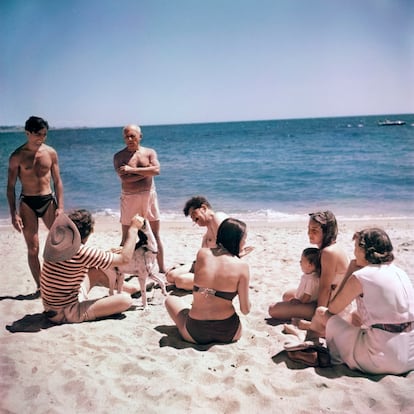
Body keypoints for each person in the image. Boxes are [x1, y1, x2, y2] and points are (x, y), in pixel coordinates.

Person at [308, 228, 414, 375]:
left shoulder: (362, 276)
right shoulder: (400, 272)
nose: (354, 252)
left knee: (321, 313)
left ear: (365, 251)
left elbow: (333, 308)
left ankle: (309, 346)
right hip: (410, 356)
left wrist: (350, 272)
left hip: (381, 359)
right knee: (355, 315)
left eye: (356, 247)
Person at [40, 209, 145, 324]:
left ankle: (134, 289)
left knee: (96, 270)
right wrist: (134, 228)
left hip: (52, 306)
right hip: (66, 312)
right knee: (125, 300)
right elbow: (124, 260)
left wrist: (107, 253)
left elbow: (79, 261)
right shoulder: (81, 251)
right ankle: (130, 293)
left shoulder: (57, 244)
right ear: (89, 232)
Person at [165, 218, 251, 344]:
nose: (245, 241)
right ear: (237, 240)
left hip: (195, 332)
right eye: (244, 238)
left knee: (170, 300)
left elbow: (210, 274)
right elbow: (245, 310)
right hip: (229, 332)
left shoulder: (202, 254)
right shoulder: (242, 266)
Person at [7, 116, 64, 294]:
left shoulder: (51, 153)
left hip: (48, 200)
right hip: (27, 203)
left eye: (45, 134)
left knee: (60, 243)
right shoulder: (17, 156)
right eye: (38, 134)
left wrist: (60, 206)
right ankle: (41, 286)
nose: (42, 138)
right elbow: (10, 187)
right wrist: (13, 214)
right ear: (28, 133)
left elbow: (57, 181)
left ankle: (62, 280)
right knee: (33, 248)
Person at [268, 210, 349, 321]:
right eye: (309, 229)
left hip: (332, 306)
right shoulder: (327, 249)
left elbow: (325, 289)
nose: (309, 233)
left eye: (314, 230)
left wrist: (319, 317)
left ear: (326, 232)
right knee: (287, 295)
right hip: (326, 298)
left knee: (273, 309)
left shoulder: (329, 253)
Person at [113, 124, 165, 273]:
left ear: (140, 137)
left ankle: (162, 269)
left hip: (149, 195)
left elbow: (157, 170)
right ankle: (120, 270)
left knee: (155, 235)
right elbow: (125, 180)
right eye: (126, 136)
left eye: (132, 136)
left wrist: (132, 170)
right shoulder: (119, 156)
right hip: (129, 197)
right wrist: (147, 172)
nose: (129, 139)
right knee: (127, 237)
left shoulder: (149, 152)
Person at [165, 196, 229, 290]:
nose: (193, 219)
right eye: (192, 218)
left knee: (180, 281)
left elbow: (228, 248)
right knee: (170, 276)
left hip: (215, 270)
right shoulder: (208, 229)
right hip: (201, 265)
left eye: (194, 215)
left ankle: (209, 287)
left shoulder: (218, 218)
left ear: (203, 208)